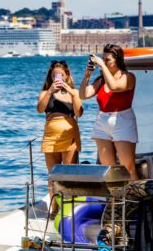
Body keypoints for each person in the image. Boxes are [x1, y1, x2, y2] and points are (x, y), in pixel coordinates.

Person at [79, 44, 138, 178]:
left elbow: (114, 87)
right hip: (102, 121)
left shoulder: (128, 77)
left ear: (118, 60)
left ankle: (134, 195)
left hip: (122, 120)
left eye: (108, 60)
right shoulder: (101, 80)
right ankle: (112, 199)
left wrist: (102, 65)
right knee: (108, 168)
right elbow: (83, 94)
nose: (104, 62)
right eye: (103, 59)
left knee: (127, 167)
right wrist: (87, 75)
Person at [36, 60, 83, 214]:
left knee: (69, 173)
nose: (58, 78)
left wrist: (71, 92)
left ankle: (69, 208)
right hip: (51, 135)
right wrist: (50, 91)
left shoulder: (73, 93)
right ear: (50, 76)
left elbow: (79, 113)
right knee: (53, 174)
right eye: (55, 75)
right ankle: (54, 208)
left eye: (61, 75)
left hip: (69, 134)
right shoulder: (45, 93)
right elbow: (40, 109)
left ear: (67, 76)